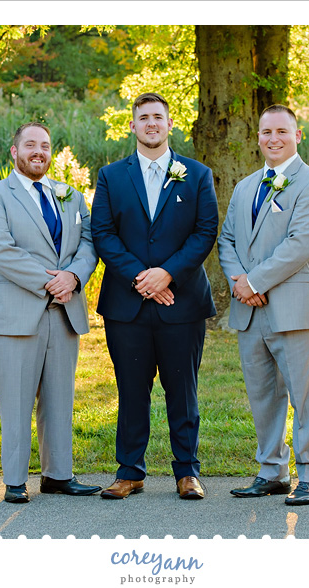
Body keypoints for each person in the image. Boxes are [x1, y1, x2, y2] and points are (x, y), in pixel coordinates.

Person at [91, 92, 218, 500]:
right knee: (131, 390)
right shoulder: (111, 176)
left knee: (183, 390)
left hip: (181, 302)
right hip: (126, 305)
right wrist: (140, 279)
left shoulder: (196, 174)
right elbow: (103, 234)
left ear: (169, 124)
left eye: (157, 117)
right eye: (142, 117)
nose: (150, 124)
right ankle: (130, 471)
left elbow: (205, 231)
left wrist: (166, 275)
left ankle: (187, 472)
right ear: (132, 125)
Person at [0, 123, 101, 503]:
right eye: (30, 144)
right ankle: (14, 481)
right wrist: (52, 282)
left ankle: (58, 475)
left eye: (45, 146)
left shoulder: (72, 197)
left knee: (60, 399)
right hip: (16, 314)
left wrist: (75, 277)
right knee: (15, 400)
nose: (39, 152)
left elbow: (90, 243)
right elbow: (1, 250)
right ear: (13, 151)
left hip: (64, 313)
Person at [217, 105, 309, 506]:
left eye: (281, 131)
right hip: (249, 310)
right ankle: (271, 471)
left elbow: (300, 245)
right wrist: (240, 283)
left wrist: (255, 280)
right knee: (263, 395)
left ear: (297, 135)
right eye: (266, 132)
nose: (273, 139)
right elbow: (226, 239)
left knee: (305, 397)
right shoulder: (246, 186)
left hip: (293, 307)